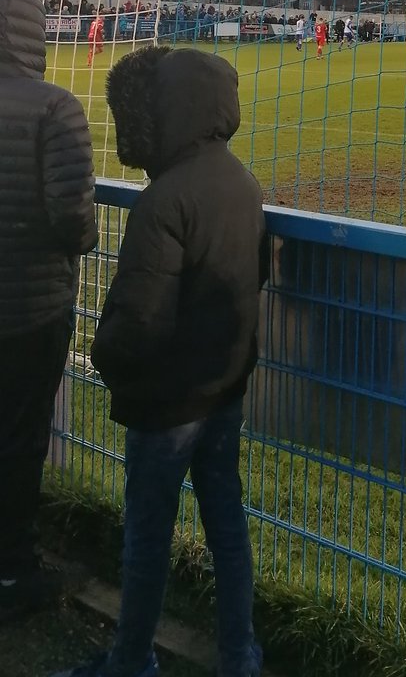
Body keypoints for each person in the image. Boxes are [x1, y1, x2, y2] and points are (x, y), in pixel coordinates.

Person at [55, 46, 266, 677]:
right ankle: (239, 656)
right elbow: (252, 281)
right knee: (228, 529)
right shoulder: (243, 182)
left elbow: (141, 321)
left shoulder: (164, 201)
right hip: (223, 391)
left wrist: (106, 356)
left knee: (146, 538)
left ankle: (132, 660)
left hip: (169, 405)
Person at [0, 0, 97, 622]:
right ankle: (12, 574)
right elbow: (75, 223)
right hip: (28, 313)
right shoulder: (55, 108)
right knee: (19, 438)